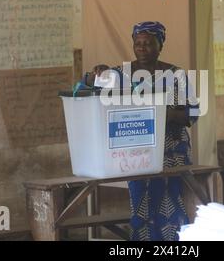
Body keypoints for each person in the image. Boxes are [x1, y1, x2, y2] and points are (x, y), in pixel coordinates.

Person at [81, 21, 199, 241]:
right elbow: (87, 83)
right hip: (138, 150)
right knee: (141, 204)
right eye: (138, 43)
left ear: (160, 45)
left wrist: (157, 113)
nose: (143, 48)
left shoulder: (176, 75)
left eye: (149, 43)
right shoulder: (121, 74)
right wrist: (99, 71)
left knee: (172, 202)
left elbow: (192, 113)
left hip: (172, 150)